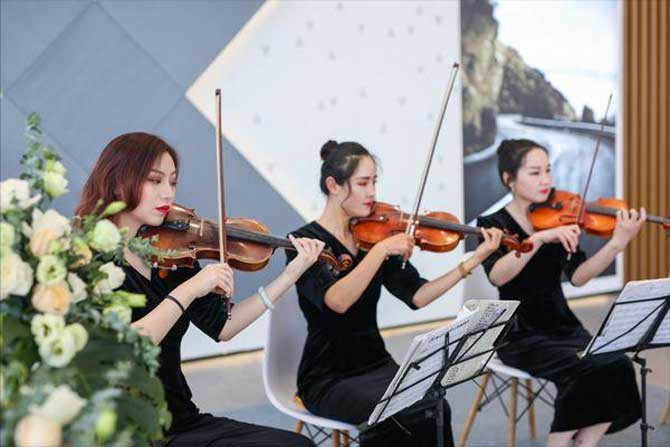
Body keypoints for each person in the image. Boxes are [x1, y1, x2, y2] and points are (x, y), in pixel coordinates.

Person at [76, 132, 322, 447]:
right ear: (117, 182)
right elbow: (127, 347)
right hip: (130, 431)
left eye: (173, 182)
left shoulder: (170, 254)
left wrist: (290, 275)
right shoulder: (89, 260)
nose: (168, 193)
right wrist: (190, 289)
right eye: (155, 181)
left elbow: (224, 327)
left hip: (182, 420)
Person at [287, 140, 505, 447]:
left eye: (374, 182)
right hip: (328, 377)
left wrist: (474, 260)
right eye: (363, 183)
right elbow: (338, 301)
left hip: (376, 363)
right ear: (333, 185)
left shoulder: (375, 235)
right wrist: (380, 251)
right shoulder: (305, 243)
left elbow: (419, 296)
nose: (372, 193)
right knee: (391, 417)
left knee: (434, 407)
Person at [476, 139, 643, 447]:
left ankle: (584, 443)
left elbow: (579, 277)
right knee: (584, 371)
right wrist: (538, 239)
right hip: (520, 334)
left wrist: (617, 243)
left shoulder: (559, 215)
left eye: (548, 171)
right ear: (509, 179)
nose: (546, 180)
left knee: (617, 363)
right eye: (535, 172)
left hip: (563, 326)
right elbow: (498, 275)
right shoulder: (493, 223)